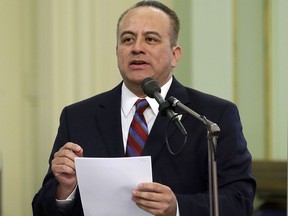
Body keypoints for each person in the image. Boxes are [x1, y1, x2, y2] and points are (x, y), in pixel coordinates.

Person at [32, 1, 256, 215]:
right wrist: (65, 190)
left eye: (150, 39)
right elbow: (41, 208)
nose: (137, 48)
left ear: (174, 54)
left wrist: (177, 207)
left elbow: (239, 201)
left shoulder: (211, 117)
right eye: (128, 39)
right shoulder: (79, 117)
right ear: (117, 50)